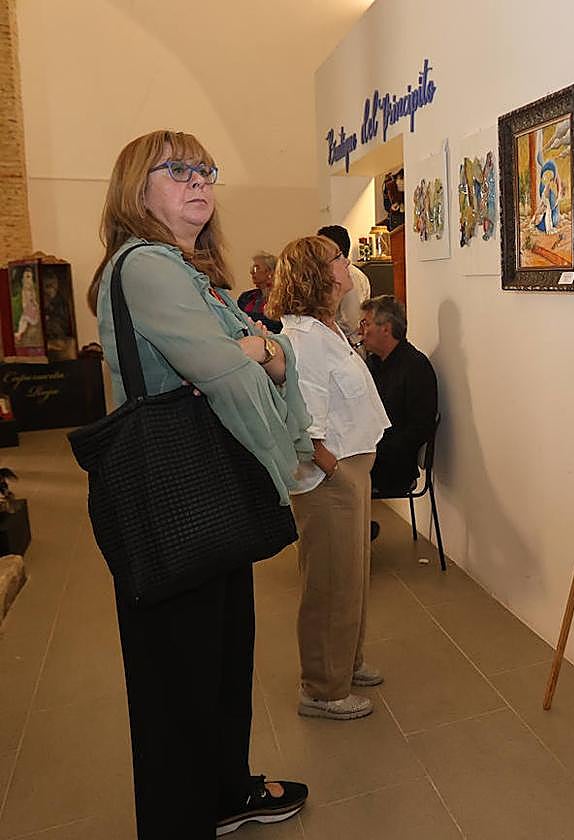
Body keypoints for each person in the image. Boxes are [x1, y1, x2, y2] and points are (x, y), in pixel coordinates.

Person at [87, 130, 311, 839]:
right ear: (136, 188)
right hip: (176, 498)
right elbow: (233, 369)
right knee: (178, 687)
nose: (198, 180)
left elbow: (262, 356)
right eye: (176, 169)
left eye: (205, 169)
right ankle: (184, 815)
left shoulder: (188, 272)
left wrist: (257, 351)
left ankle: (222, 791)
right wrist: (257, 353)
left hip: (206, 496)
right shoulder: (148, 268)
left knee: (216, 665)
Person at [267, 235, 390, 720]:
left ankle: (346, 662)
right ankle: (321, 688)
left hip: (351, 468)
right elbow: (305, 427)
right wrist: (337, 474)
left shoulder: (328, 330)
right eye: (337, 259)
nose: (346, 264)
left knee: (354, 576)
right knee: (330, 584)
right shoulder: (301, 342)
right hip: (329, 478)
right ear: (316, 275)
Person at [358, 295, 437, 538]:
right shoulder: (373, 364)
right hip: (372, 453)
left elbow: (420, 428)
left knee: (335, 478)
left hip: (394, 464)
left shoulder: (415, 367)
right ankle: (352, 535)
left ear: (386, 328)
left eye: (366, 324)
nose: (362, 331)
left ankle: (354, 535)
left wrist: (373, 450)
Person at [316, 224, 371, 338]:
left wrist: (323, 329)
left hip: (349, 344)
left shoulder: (351, 276)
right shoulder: (326, 274)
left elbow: (351, 322)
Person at [237, 251, 282, 333]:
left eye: (256, 268)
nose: (251, 272)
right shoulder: (246, 297)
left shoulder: (282, 298)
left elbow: (278, 325)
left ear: (270, 272)